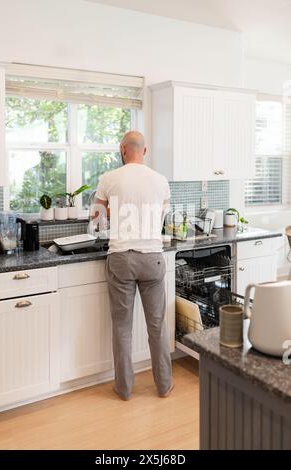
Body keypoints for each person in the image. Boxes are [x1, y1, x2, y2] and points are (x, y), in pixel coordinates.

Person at [92, 131, 173, 401]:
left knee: (122, 328)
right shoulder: (160, 180)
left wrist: (114, 209)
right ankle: (164, 386)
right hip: (152, 257)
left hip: (122, 259)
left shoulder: (109, 178)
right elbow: (159, 214)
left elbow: (97, 217)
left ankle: (124, 389)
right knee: (158, 326)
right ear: (144, 151)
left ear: (122, 149)